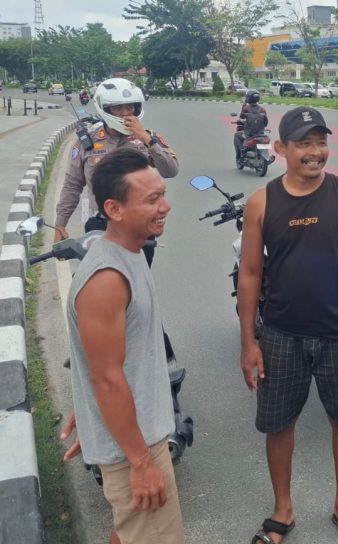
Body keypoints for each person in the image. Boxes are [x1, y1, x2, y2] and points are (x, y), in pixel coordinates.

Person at [237, 107, 338, 544]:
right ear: (280, 148)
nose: (315, 152)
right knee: (278, 425)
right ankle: (282, 510)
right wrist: (249, 343)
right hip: (281, 333)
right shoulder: (261, 202)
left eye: (321, 142)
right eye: (304, 143)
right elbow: (250, 274)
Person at [62, 147, 184, 544]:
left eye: (163, 194)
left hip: (137, 432)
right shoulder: (107, 279)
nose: (165, 207)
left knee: (132, 531)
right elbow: (107, 379)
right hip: (135, 446)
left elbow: (103, 366)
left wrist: (91, 412)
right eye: (152, 199)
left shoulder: (132, 252)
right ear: (113, 209)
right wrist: (141, 462)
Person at [54, 77, 179, 260]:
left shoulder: (148, 139)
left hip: (139, 225)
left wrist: (146, 139)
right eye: (118, 108)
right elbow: (72, 185)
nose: (125, 113)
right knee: (98, 274)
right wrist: (60, 224)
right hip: (101, 226)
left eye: (130, 107)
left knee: (137, 276)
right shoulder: (87, 142)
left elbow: (171, 170)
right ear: (104, 108)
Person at [234, 90, 269, 162]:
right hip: (261, 133)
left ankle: (242, 152)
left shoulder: (246, 108)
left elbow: (241, 117)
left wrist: (244, 104)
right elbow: (265, 122)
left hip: (249, 133)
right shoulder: (262, 109)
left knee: (236, 135)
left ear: (248, 98)